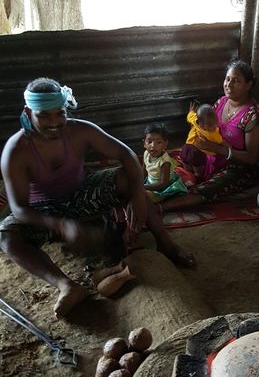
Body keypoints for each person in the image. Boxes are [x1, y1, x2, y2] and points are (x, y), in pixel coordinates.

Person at [0, 78, 194, 318]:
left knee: (129, 181)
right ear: (29, 112)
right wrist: (58, 224)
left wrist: (136, 197)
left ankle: (166, 243)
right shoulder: (16, 150)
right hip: (45, 209)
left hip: (83, 194)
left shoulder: (81, 130)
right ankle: (67, 286)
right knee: (7, 235)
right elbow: (18, 208)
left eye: (59, 114)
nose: (54, 123)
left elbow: (127, 155)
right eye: (44, 116)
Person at [160, 59, 259, 211]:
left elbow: (251, 158)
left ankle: (158, 208)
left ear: (249, 85)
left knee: (207, 188)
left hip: (239, 168)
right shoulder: (222, 102)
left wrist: (217, 149)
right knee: (166, 161)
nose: (228, 85)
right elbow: (205, 127)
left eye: (236, 81)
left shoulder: (254, 115)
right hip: (212, 159)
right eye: (227, 79)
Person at [180, 102, 227, 182]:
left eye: (215, 123)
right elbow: (221, 141)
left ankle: (189, 174)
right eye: (210, 124)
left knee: (187, 160)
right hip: (198, 152)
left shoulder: (195, 121)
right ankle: (194, 176)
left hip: (188, 146)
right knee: (196, 166)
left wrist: (191, 111)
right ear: (200, 123)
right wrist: (228, 146)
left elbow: (190, 116)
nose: (213, 127)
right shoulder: (213, 134)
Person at [143, 122, 188, 202]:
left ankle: (158, 198)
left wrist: (144, 187)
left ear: (165, 144)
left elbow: (163, 183)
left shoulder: (165, 162)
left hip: (163, 188)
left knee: (147, 197)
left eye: (158, 142)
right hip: (150, 183)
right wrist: (140, 183)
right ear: (144, 143)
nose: (153, 146)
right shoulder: (146, 154)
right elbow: (143, 172)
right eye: (149, 142)